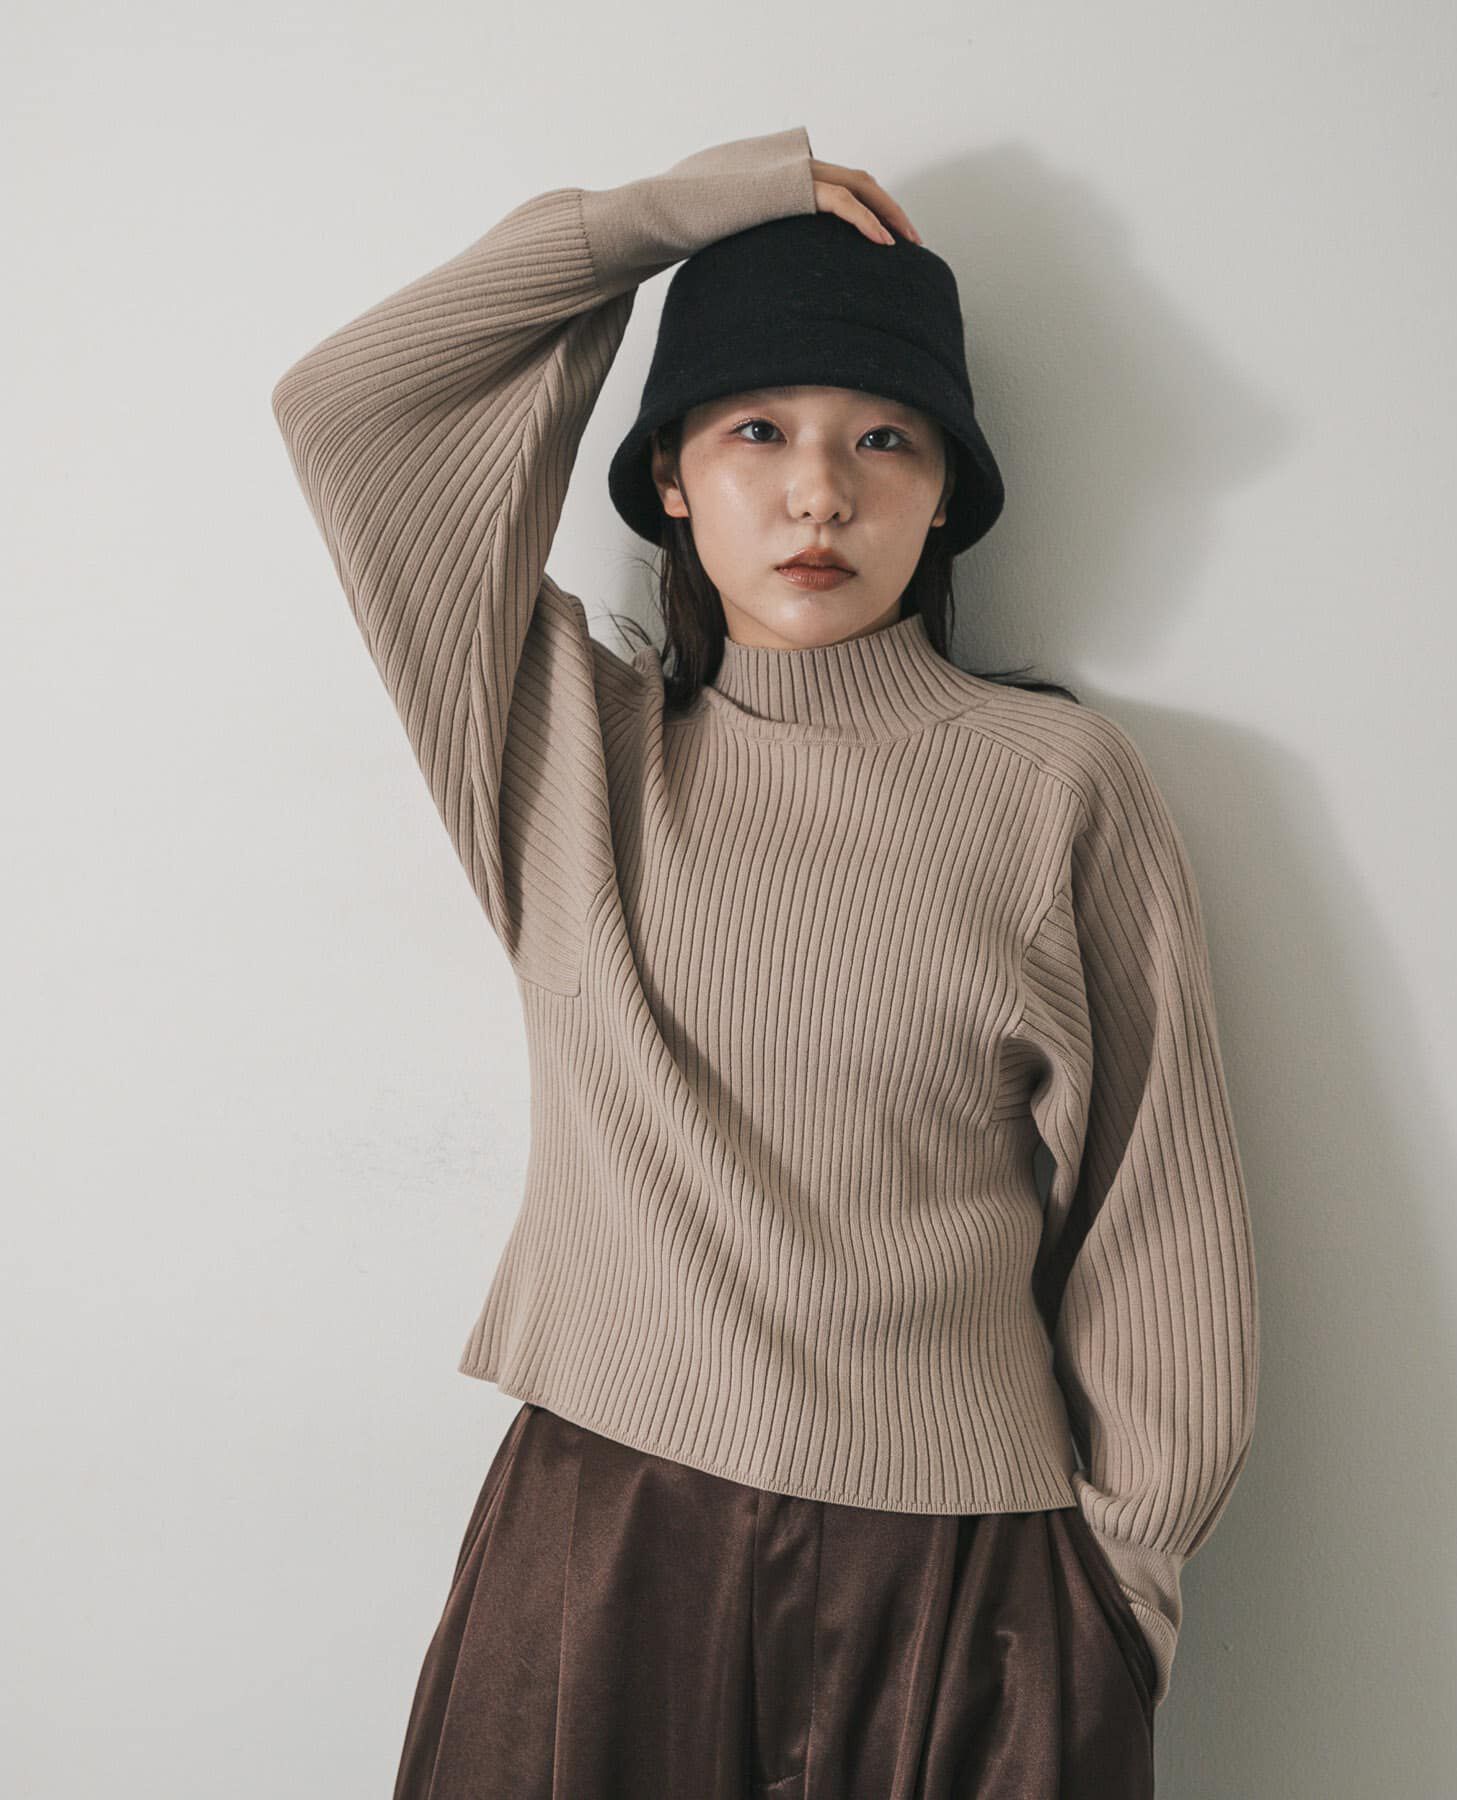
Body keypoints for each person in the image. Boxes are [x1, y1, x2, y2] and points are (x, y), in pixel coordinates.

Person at [271, 124, 1260, 1799]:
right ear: (668, 473)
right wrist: (667, 217)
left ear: (945, 494)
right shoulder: (565, 752)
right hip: (604, 1542)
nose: (820, 494)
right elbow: (351, 415)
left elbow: (1157, 1200)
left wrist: (1119, 1599)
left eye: (885, 438)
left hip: (960, 1579)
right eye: (756, 430)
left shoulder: (1052, 783)